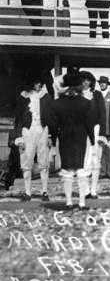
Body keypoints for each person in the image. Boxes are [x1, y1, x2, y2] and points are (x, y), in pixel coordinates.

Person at [48, 68, 95, 210]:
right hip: (81, 138)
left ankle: (68, 202)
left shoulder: (56, 104)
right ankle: (81, 203)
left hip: (64, 138)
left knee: (67, 171)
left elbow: (53, 125)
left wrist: (53, 138)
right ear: (79, 86)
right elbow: (89, 124)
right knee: (82, 171)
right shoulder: (86, 103)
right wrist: (92, 142)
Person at [13, 73, 53, 201]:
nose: (39, 85)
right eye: (36, 82)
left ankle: (45, 191)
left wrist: (50, 135)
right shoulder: (23, 96)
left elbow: (51, 117)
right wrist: (18, 137)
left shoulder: (46, 97)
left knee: (44, 162)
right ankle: (28, 192)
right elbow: (18, 119)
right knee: (26, 161)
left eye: (40, 82)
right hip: (27, 131)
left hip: (43, 130)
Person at [80, 71, 108, 199]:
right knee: (84, 160)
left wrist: (102, 134)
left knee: (95, 159)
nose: (86, 82)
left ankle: (94, 190)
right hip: (81, 130)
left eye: (88, 80)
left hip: (96, 129)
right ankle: (85, 190)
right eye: (83, 80)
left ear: (91, 82)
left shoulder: (97, 95)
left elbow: (102, 115)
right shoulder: (77, 95)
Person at [98, 76, 110, 179]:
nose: (102, 84)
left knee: (109, 150)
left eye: (104, 83)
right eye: (100, 83)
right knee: (101, 151)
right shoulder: (97, 96)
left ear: (107, 84)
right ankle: (102, 171)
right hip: (100, 128)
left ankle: (109, 172)